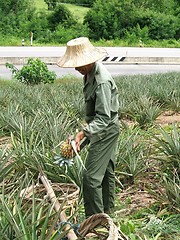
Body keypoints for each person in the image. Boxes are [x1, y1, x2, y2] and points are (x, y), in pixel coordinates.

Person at [57, 37, 120, 218]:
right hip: (100, 129)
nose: (76, 68)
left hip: (105, 131)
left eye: (79, 64)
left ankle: (94, 221)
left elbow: (103, 118)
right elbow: (95, 116)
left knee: (91, 178)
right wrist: (79, 138)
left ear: (90, 60)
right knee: (106, 172)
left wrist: (83, 133)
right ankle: (108, 214)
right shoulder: (89, 74)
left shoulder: (101, 82)